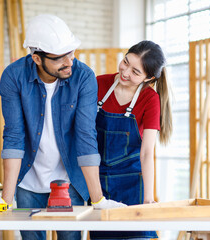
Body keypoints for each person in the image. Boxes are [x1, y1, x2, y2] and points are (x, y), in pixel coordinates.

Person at [0, 14, 124, 240]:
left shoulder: (83, 76)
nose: (69, 62)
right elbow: (14, 136)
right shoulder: (13, 76)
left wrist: (97, 199)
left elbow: (86, 135)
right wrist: (5, 201)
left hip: (69, 182)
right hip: (28, 182)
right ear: (37, 58)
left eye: (71, 53)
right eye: (60, 58)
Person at [91, 40, 173, 240]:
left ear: (149, 78)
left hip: (133, 185)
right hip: (98, 184)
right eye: (126, 62)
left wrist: (148, 198)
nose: (125, 72)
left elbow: (146, 153)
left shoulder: (150, 99)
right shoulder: (98, 84)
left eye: (136, 72)